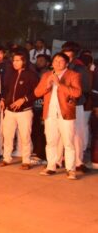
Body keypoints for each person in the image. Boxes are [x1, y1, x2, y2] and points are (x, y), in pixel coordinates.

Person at [35, 52, 81, 180]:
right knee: (50, 141)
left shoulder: (73, 75)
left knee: (68, 142)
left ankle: (71, 169)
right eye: (55, 60)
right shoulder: (46, 75)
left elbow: (77, 93)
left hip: (65, 113)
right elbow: (37, 92)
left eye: (61, 61)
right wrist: (47, 85)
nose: (57, 63)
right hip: (50, 113)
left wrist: (60, 84)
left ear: (67, 63)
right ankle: (51, 166)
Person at [0, 50, 39, 170]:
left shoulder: (31, 75)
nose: (15, 63)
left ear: (24, 61)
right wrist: (3, 99)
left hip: (24, 111)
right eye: (13, 60)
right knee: (7, 135)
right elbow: (5, 89)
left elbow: (37, 92)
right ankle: (6, 158)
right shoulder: (11, 74)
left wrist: (24, 99)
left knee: (25, 136)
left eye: (18, 60)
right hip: (9, 111)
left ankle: (26, 160)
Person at [61, 42, 90, 172]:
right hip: (61, 104)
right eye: (64, 52)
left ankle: (78, 161)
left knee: (77, 133)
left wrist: (72, 93)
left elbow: (85, 88)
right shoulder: (58, 65)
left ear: (75, 54)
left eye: (69, 53)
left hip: (76, 104)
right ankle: (57, 160)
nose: (66, 55)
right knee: (59, 134)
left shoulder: (80, 68)